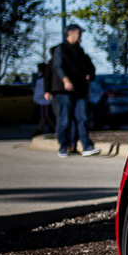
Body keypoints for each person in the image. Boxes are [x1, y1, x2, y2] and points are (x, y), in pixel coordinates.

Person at [51, 24, 99, 157]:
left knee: (82, 118)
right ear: (70, 33)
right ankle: (63, 146)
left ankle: (87, 146)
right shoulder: (61, 49)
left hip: (80, 91)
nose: (80, 35)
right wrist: (66, 80)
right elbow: (58, 67)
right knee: (65, 120)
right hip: (64, 91)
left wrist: (90, 75)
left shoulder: (80, 51)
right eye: (78, 32)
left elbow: (90, 68)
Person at [32, 62, 54, 134]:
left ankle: (40, 129)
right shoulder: (42, 78)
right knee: (46, 116)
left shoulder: (43, 79)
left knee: (44, 116)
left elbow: (41, 90)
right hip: (42, 100)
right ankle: (52, 128)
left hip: (43, 100)